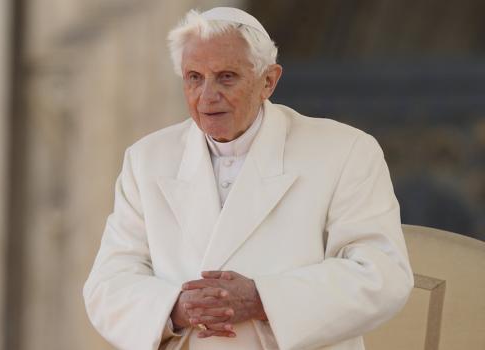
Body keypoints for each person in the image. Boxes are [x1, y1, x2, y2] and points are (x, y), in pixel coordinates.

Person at [83, 7, 413, 350]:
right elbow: (107, 284)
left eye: (226, 77)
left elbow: (382, 275)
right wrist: (177, 308)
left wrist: (263, 299)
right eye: (194, 77)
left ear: (268, 81)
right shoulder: (146, 159)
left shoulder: (346, 151)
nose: (208, 96)